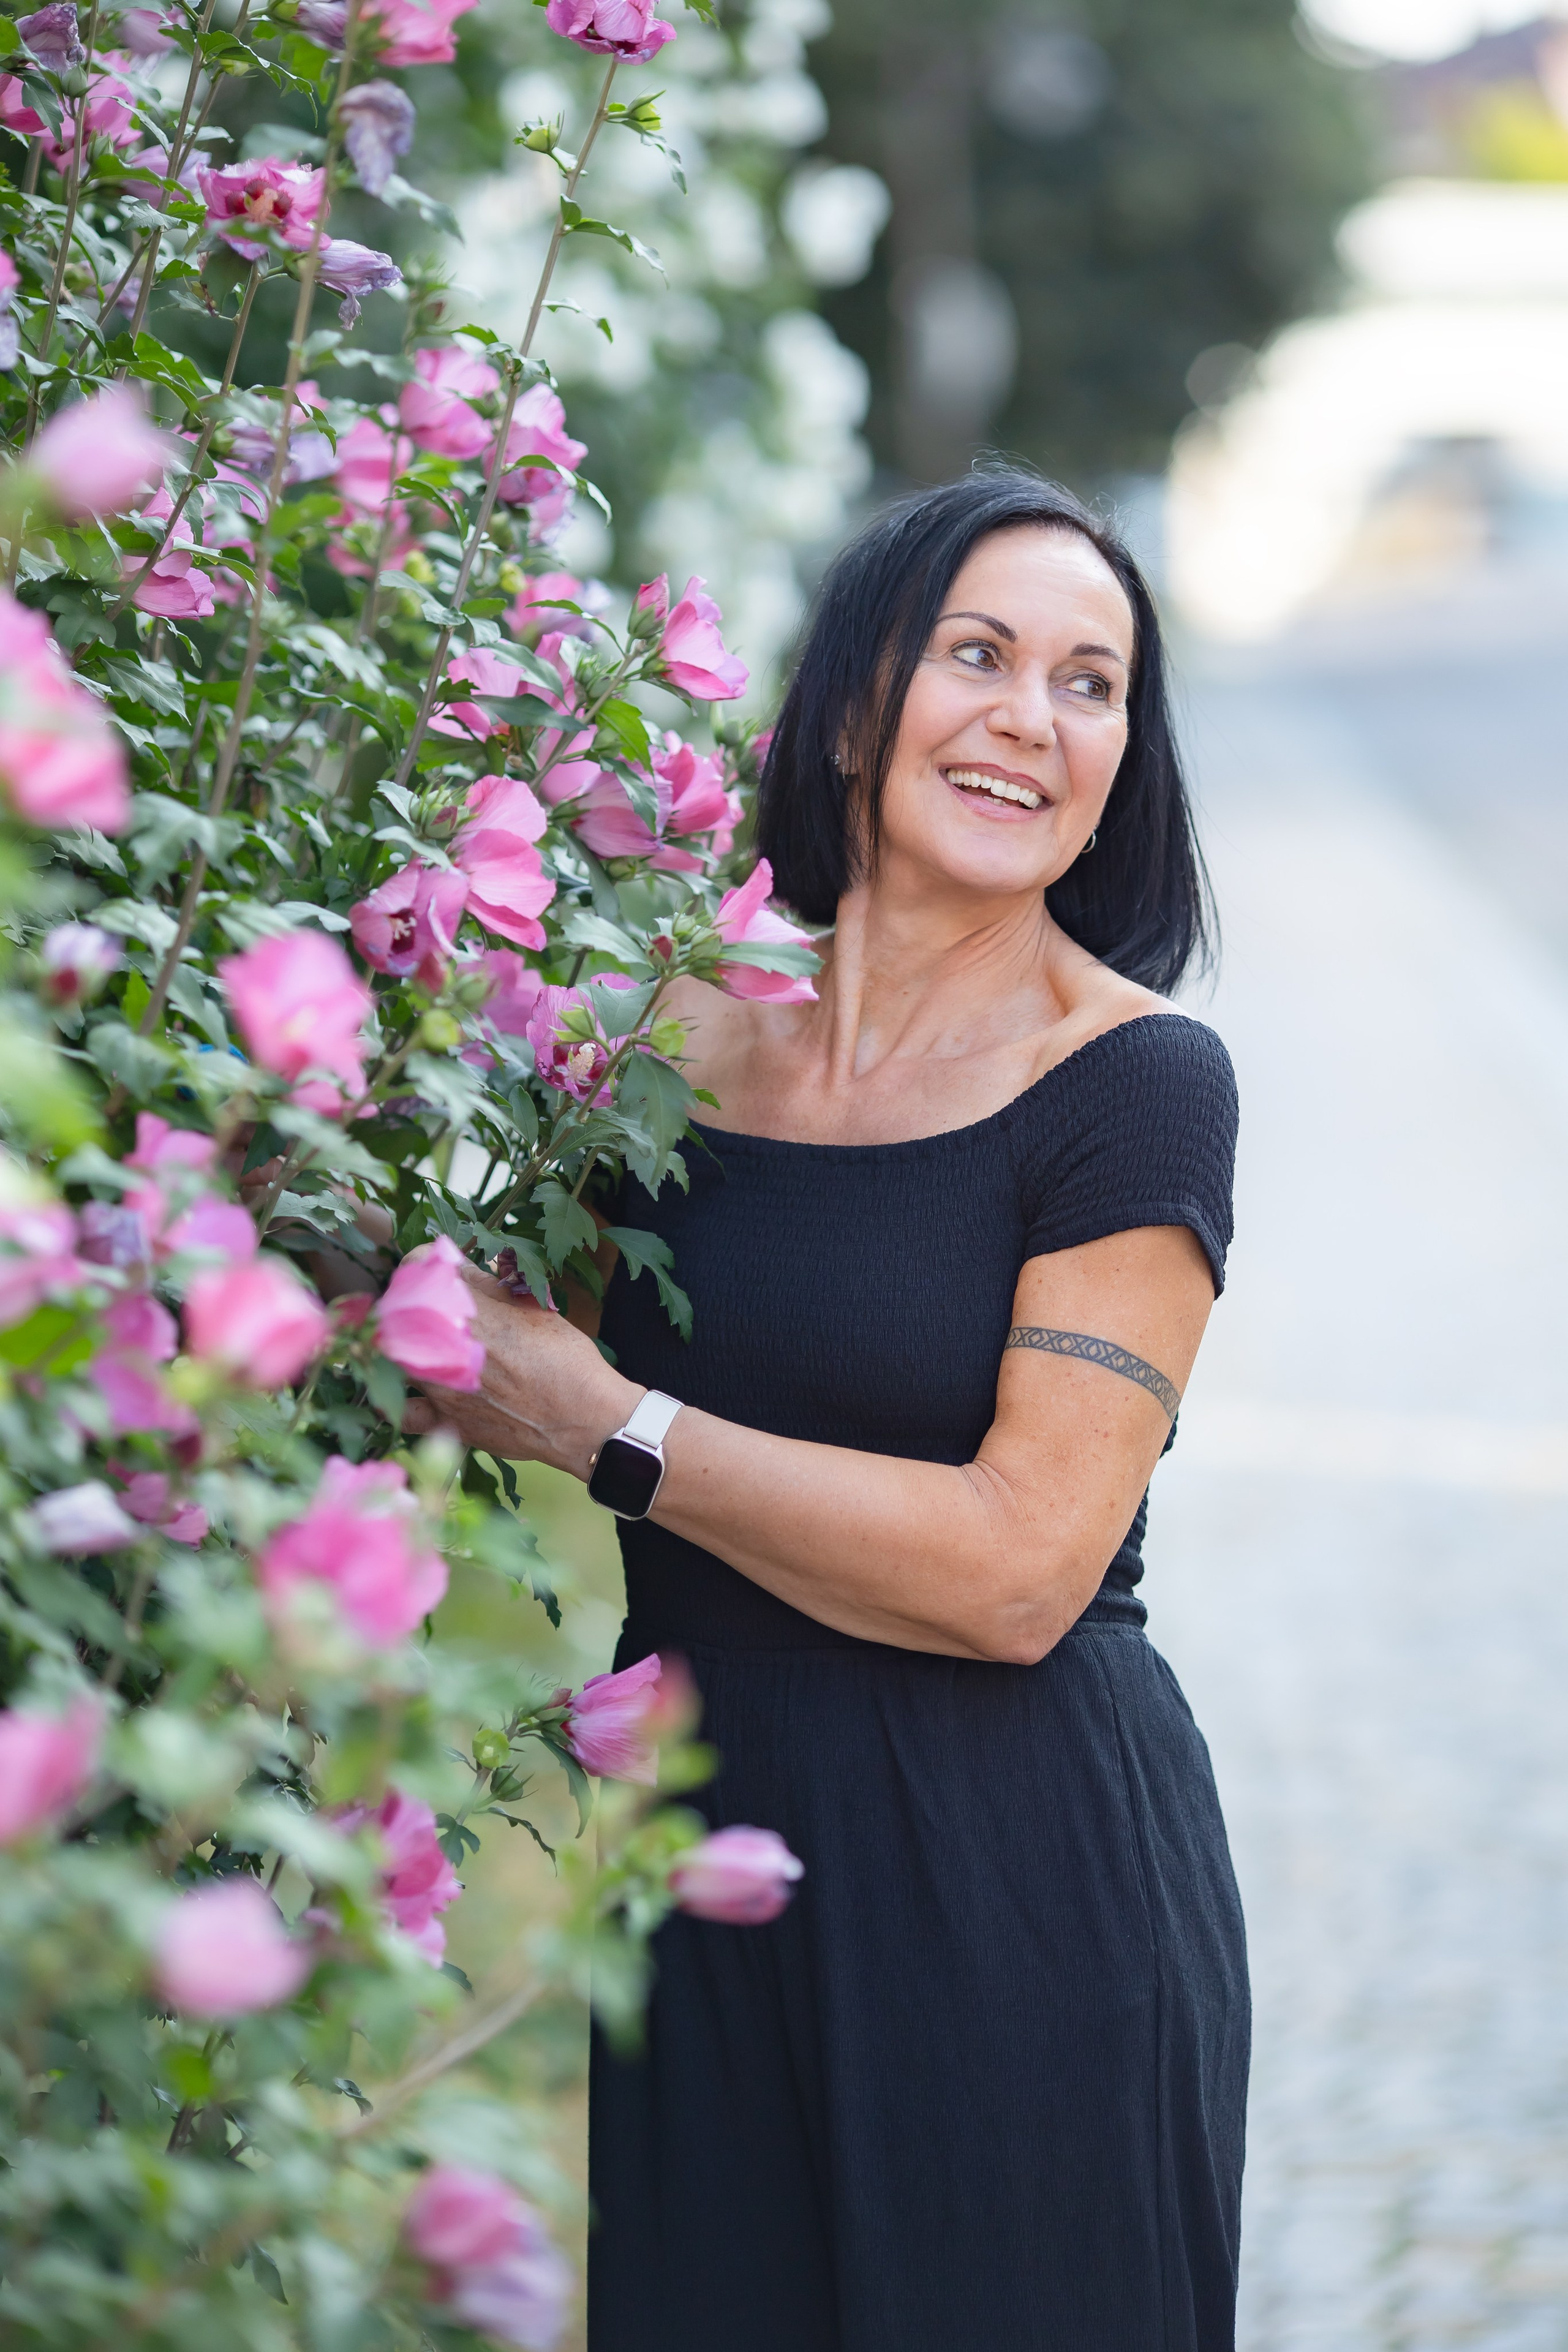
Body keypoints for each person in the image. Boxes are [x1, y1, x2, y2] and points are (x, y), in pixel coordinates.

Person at [410, 472, 1250, 2351]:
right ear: (858, 700)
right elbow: (465, 1333)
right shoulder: (648, 1037)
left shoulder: (1134, 1086)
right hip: (711, 1872)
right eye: (982, 655)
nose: (1036, 717)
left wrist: (613, 1427)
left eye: (1093, 684)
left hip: (1018, 1896)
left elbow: (1025, 1570)